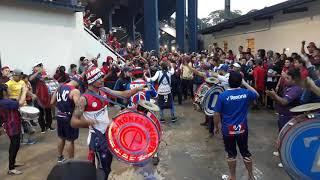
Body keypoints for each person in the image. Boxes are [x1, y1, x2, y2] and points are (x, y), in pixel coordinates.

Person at [70, 67, 145, 180]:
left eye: (101, 77)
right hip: (97, 138)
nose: (102, 79)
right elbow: (73, 122)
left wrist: (138, 89)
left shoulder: (103, 90)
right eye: (98, 78)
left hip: (107, 133)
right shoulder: (83, 99)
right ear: (91, 81)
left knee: (107, 165)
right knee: (101, 168)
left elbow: (123, 94)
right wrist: (90, 121)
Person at [214, 71, 259, 180]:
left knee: (231, 154)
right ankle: (251, 176)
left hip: (228, 130)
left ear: (228, 82)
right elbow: (257, 94)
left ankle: (233, 177)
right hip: (242, 129)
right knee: (245, 152)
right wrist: (246, 84)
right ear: (240, 82)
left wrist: (216, 127)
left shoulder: (222, 96)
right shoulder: (246, 93)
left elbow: (216, 114)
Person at [51, 75, 83, 163]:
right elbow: (79, 106)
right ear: (77, 82)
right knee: (70, 140)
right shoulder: (75, 91)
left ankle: (60, 157)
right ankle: (71, 161)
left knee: (61, 137)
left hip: (60, 115)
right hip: (69, 117)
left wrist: (61, 107)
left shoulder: (59, 87)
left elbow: (52, 102)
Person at [0, 82, 27, 175]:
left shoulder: (5, 100)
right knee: (14, 145)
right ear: (3, 92)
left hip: (13, 125)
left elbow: (16, 101)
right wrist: (24, 91)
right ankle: (11, 168)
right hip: (12, 126)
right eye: (7, 89)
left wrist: (20, 94)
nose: (9, 90)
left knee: (15, 145)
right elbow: (20, 103)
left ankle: (13, 163)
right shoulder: (4, 102)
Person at [29, 62, 55, 133]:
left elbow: (50, 83)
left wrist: (49, 78)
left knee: (48, 112)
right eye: (37, 66)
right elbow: (30, 79)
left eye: (40, 66)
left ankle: (49, 126)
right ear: (34, 68)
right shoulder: (32, 75)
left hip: (46, 96)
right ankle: (43, 128)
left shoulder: (44, 74)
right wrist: (37, 72)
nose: (39, 67)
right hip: (37, 97)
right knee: (40, 113)